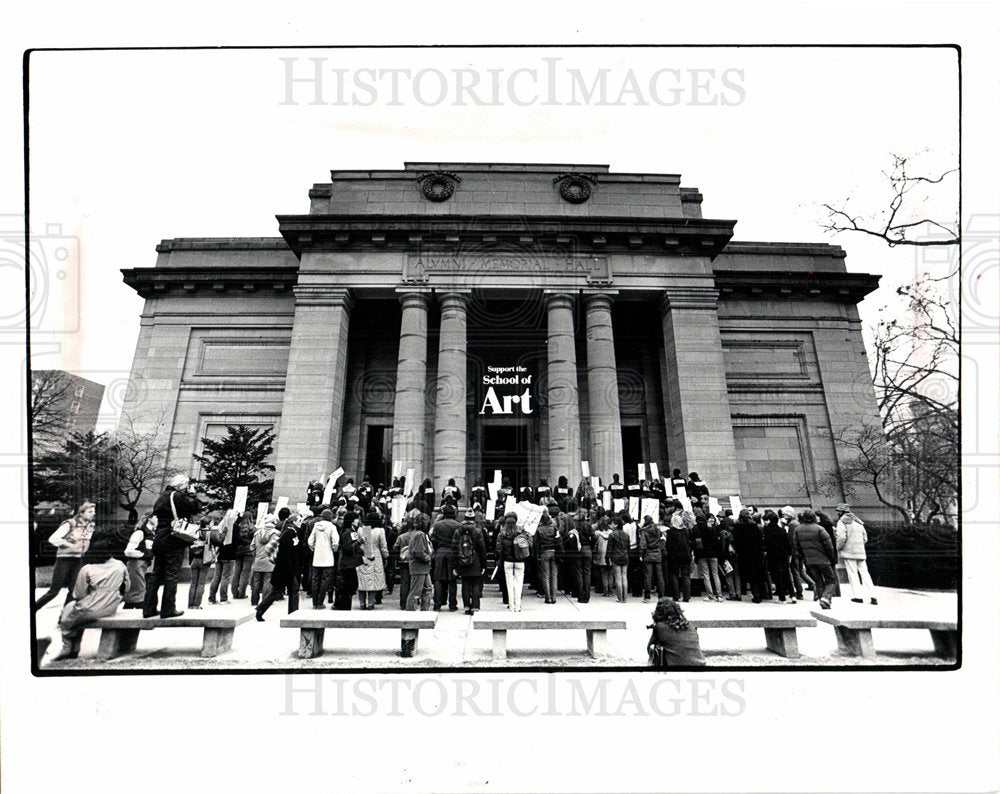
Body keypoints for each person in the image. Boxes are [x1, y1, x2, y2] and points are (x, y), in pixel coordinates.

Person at [52, 536, 129, 661]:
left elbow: (79, 594)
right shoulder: (120, 565)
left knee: (68, 611)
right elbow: (127, 586)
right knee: (77, 613)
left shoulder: (87, 569)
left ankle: (68, 647)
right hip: (112, 606)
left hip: (93, 607)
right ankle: (73, 647)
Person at [143, 475, 203, 619]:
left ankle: (148, 608)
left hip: (159, 538)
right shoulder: (178, 496)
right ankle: (168, 608)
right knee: (172, 574)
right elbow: (197, 507)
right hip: (173, 539)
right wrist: (193, 493)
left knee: (156, 574)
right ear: (182, 485)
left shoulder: (161, 497)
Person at [35, 502, 96, 611]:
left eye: (94, 511)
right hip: (64, 559)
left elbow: (86, 540)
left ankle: (64, 617)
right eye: (90, 511)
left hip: (78, 560)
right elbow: (53, 539)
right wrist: (69, 545)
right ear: (81, 513)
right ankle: (32, 609)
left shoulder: (90, 525)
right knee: (54, 592)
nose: (93, 513)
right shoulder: (70, 523)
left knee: (74, 591)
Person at [255, 508, 302, 620]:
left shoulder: (290, 532)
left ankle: (261, 608)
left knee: (277, 591)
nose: (300, 522)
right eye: (299, 520)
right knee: (291, 591)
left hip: (284, 569)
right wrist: (290, 568)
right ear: (293, 521)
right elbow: (286, 553)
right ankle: (293, 615)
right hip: (286, 569)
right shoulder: (289, 533)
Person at [794, 509, 839, 609]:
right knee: (831, 580)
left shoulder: (798, 529)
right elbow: (829, 546)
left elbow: (797, 547)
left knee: (818, 582)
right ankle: (826, 598)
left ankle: (823, 601)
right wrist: (831, 558)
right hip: (823, 559)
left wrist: (804, 557)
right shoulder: (819, 529)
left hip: (809, 560)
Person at [646, 597, 706, 668]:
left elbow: (649, 648)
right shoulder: (690, 625)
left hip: (678, 668)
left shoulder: (660, 627)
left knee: (655, 649)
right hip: (700, 664)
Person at [836, 506, 878, 605]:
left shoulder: (841, 522)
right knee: (865, 574)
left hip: (848, 552)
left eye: (838, 511)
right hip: (860, 552)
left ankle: (857, 596)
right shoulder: (858, 522)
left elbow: (841, 538)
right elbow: (865, 538)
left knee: (853, 574)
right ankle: (873, 596)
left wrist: (838, 548)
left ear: (841, 512)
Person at [453, 507, 488, 614]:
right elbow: (482, 549)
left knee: (465, 584)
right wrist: (483, 565)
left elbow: (454, 549)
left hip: (462, 561)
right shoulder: (477, 531)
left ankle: (466, 606)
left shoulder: (458, 531)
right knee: (476, 584)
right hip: (476, 561)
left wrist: (454, 566)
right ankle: (475, 606)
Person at [430, 503, 462, 611]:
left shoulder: (437, 525)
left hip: (440, 552)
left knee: (438, 579)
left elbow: (433, 539)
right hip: (453, 553)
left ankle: (437, 604)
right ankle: (452, 604)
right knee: (452, 580)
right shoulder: (458, 525)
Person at [731, 509, 767, 603]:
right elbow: (759, 540)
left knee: (751, 576)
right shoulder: (754, 526)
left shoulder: (738, 527)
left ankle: (756, 595)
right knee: (758, 574)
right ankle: (761, 594)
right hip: (756, 553)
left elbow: (736, 542)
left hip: (745, 554)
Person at [122, 513, 156, 609]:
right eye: (156, 517)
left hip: (145, 566)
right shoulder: (139, 533)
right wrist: (144, 555)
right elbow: (128, 551)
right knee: (137, 594)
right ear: (149, 519)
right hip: (136, 565)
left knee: (137, 594)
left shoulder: (152, 533)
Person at [762, 510, 796, 603]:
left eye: (766, 520)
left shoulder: (767, 530)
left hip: (773, 556)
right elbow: (787, 543)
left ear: (769, 520)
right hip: (784, 555)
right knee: (786, 575)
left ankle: (782, 598)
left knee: (777, 576)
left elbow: (766, 543)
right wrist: (789, 554)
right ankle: (792, 596)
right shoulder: (782, 530)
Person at [307, 509, 339, 609]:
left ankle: (314, 602)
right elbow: (335, 542)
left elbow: (310, 541)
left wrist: (314, 549)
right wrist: (333, 550)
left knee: (315, 579)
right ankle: (320, 602)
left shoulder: (316, 526)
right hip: (328, 557)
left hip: (317, 557)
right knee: (325, 580)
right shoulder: (332, 527)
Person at [357, 511, 389, 609]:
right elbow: (383, 546)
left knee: (362, 580)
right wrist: (386, 556)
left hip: (362, 555)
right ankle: (371, 603)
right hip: (375, 555)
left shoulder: (361, 530)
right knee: (372, 580)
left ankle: (362, 603)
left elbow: (358, 542)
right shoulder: (380, 530)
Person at [496, 512, 527, 612]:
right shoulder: (521, 531)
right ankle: (518, 605)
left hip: (507, 561)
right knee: (519, 583)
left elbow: (499, 548)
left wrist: (500, 558)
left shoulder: (502, 533)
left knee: (509, 584)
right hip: (519, 560)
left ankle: (511, 605)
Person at [333, 512, 364, 610]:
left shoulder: (348, 531)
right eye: (356, 519)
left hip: (348, 563)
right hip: (348, 563)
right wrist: (359, 541)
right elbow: (349, 548)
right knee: (349, 586)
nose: (358, 521)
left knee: (349, 585)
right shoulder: (349, 532)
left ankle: (342, 604)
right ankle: (344, 605)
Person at [188, 518, 221, 609]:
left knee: (193, 583)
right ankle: (196, 605)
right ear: (208, 524)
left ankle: (190, 604)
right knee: (201, 583)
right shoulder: (209, 533)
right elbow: (219, 541)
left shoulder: (195, 532)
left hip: (194, 560)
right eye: (211, 523)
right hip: (204, 560)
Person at [207, 510, 238, 604]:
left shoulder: (221, 526)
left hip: (219, 553)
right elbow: (238, 540)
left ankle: (211, 598)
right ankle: (223, 598)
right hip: (230, 555)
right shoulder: (234, 527)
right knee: (225, 577)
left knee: (216, 576)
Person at [249, 514, 279, 606]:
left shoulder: (257, 533)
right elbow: (278, 548)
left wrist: (256, 555)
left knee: (256, 581)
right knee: (267, 581)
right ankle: (265, 601)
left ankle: (254, 601)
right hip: (270, 561)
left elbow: (252, 547)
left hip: (258, 560)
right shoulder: (276, 533)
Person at [405, 518, 433, 612]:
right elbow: (419, 551)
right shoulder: (420, 535)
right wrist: (428, 558)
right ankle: (411, 612)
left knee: (427, 588)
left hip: (422, 568)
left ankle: (424, 610)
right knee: (416, 591)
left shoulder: (419, 534)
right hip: (419, 567)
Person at [665, 512, 693, 602]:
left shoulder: (670, 532)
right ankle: (687, 596)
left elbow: (668, 545)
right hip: (686, 555)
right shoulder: (686, 531)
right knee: (686, 576)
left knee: (674, 575)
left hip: (674, 556)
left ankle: (676, 596)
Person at [534, 509, 561, 604]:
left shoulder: (539, 529)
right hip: (554, 550)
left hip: (544, 551)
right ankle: (554, 597)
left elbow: (536, 543)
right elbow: (558, 539)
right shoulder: (554, 528)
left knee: (545, 575)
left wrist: (536, 554)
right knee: (554, 575)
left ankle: (548, 597)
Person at [695, 514, 724, 602]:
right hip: (713, 553)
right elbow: (717, 541)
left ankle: (710, 595)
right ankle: (719, 595)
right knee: (715, 574)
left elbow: (695, 542)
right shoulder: (712, 528)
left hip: (702, 554)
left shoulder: (696, 528)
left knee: (706, 575)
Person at [638, 515, 664, 602]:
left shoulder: (644, 531)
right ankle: (661, 596)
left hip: (648, 554)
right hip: (658, 554)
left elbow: (643, 544)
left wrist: (641, 554)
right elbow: (662, 540)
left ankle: (647, 597)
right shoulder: (658, 529)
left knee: (648, 576)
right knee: (660, 576)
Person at [231, 512, 255, 599]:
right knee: (245, 573)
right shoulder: (252, 527)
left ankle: (234, 592)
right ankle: (242, 593)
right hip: (248, 551)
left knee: (236, 572)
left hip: (238, 551)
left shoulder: (237, 526)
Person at [606, 516, 630, 603]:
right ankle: (625, 597)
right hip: (625, 557)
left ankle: (620, 597)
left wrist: (607, 558)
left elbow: (609, 548)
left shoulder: (612, 534)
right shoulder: (626, 535)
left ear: (616, 524)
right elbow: (628, 548)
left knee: (618, 577)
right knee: (624, 576)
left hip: (616, 557)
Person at [594, 513, 612, 598]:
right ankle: (610, 590)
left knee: (604, 574)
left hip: (601, 555)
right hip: (610, 555)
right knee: (610, 574)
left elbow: (595, 545)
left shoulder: (597, 533)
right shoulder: (612, 533)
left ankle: (605, 591)